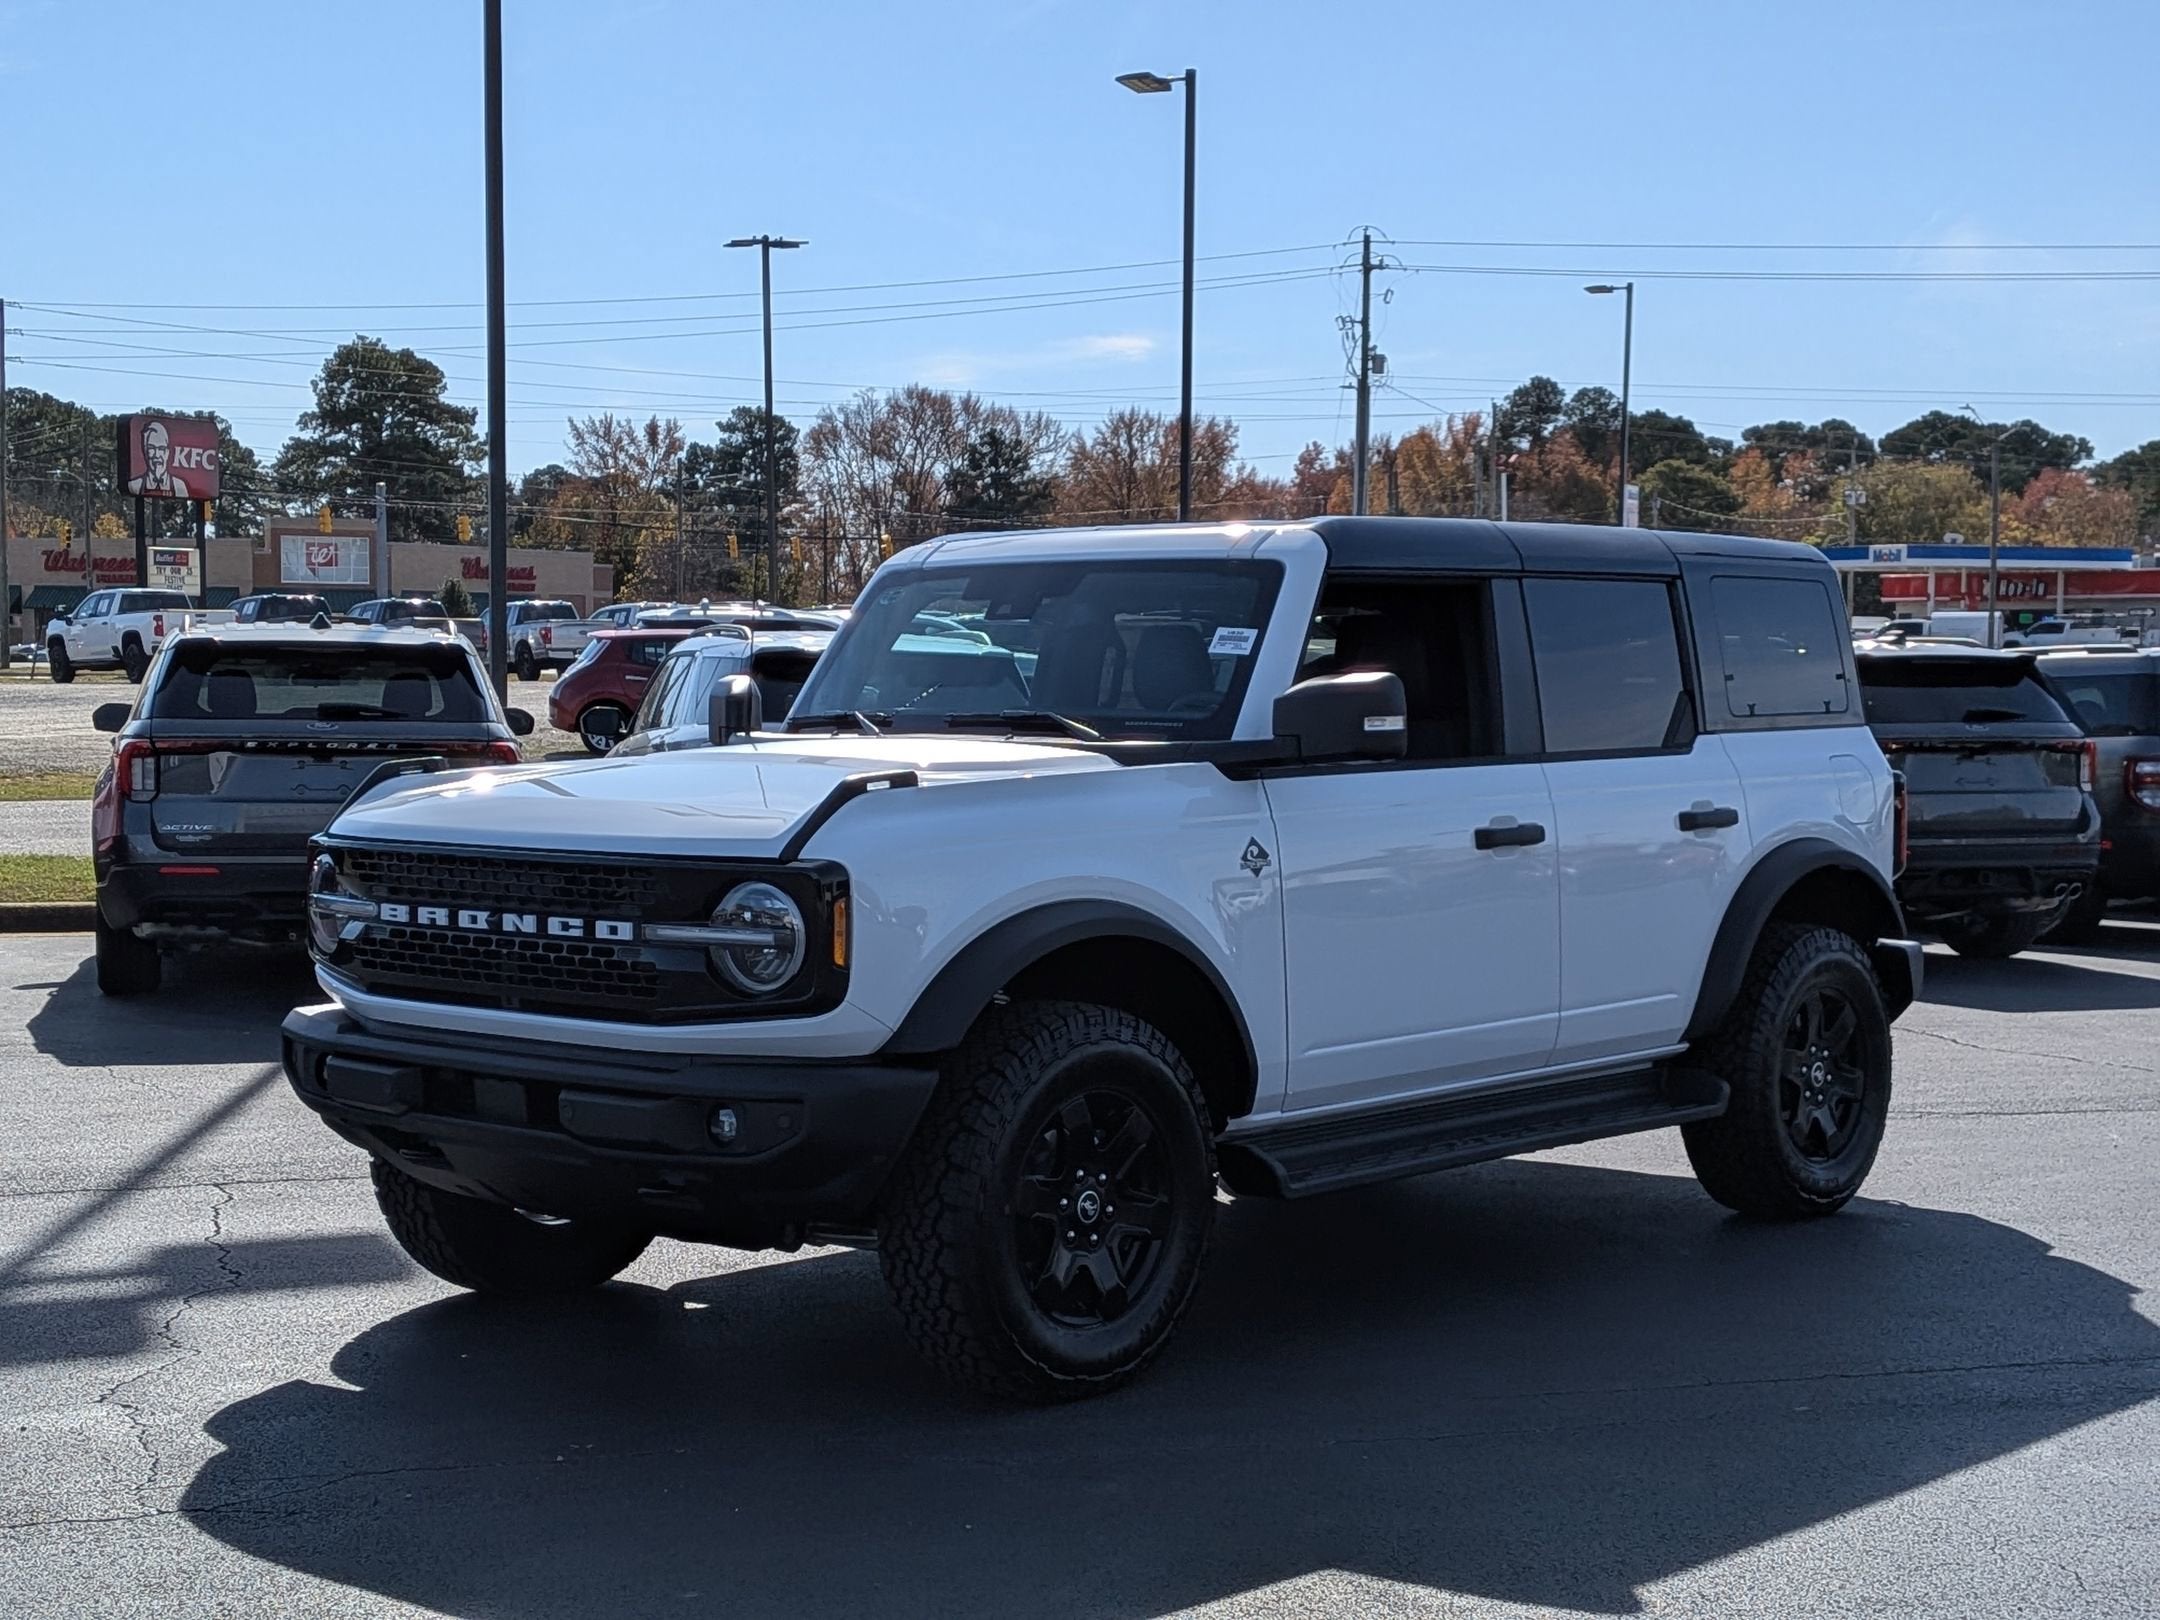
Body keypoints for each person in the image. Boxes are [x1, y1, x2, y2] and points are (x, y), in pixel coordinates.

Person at [125, 420, 192, 498]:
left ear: (167, 453)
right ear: (144, 452)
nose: (157, 455)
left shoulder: (180, 486)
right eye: (151, 448)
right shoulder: (134, 486)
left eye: (161, 448)